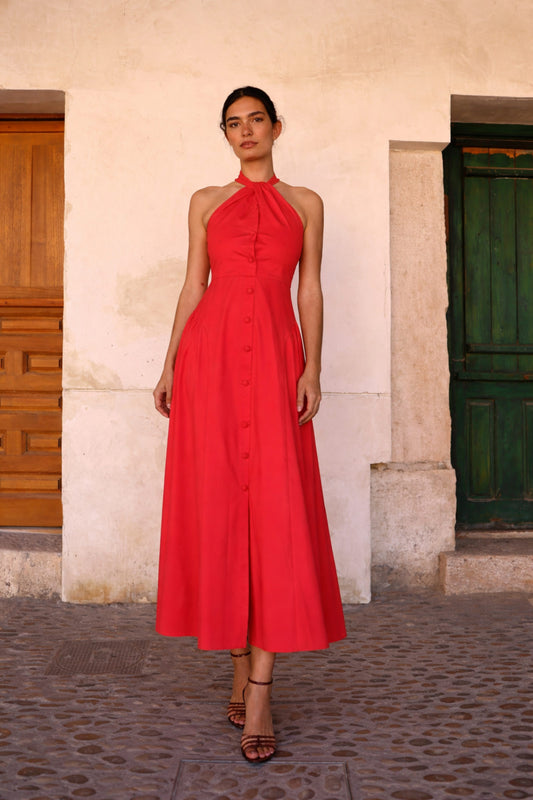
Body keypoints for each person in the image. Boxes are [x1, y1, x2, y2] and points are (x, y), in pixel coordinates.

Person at [153, 86, 346, 763]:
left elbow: (309, 287)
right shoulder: (206, 201)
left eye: (254, 120)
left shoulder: (305, 203)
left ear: (276, 127)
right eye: (232, 123)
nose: (244, 131)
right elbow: (192, 285)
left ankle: (259, 691)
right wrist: (171, 364)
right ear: (225, 134)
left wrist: (312, 368)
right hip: (207, 364)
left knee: (272, 515)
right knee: (221, 512)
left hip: (273, 361)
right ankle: (237, 662)